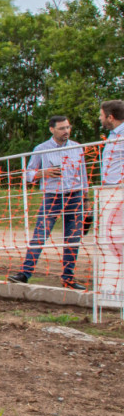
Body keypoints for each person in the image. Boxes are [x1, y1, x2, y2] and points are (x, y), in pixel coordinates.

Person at [6, 115, 89, 289]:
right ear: (52, 129)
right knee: (40, 235)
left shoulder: (77, 148)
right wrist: (42, 173)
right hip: (52, 196)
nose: (66, 131)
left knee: (72, 238)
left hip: (75, 196)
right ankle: (24, 274)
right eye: (62, 128)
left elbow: (84, 175)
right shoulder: (41, 149)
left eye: (68, 127)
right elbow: (27, 174)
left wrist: (86, 200)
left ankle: (68, 278)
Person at [98, 99, 124, 301]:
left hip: (119, 193)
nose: (100, 118)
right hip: (108, 194)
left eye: (101, 115)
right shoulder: (112, 136)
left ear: (110, 117)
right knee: (111, 242)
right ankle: (112, 289)